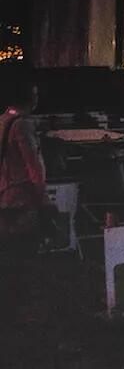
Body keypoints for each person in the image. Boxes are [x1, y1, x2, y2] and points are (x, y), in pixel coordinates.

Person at [0, 80, 48, 254]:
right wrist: (41, 195)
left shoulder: (4, 119)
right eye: (34, 94)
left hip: (5, 194)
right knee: (26, 247)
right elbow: (34, 165)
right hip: (22, 194)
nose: (37, 98)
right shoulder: (22, 125)